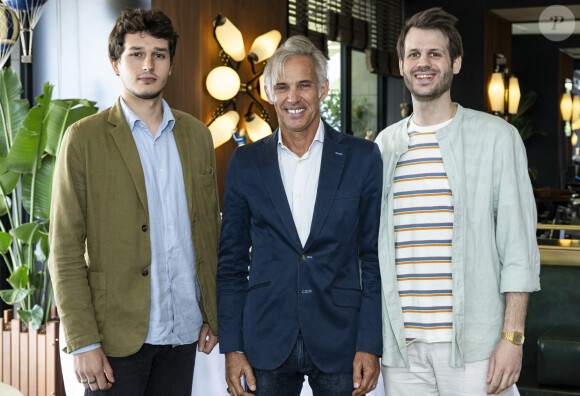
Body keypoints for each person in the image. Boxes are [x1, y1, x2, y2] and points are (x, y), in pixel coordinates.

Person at [48, 8, 220, 395]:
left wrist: (212, 311)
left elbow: (210, 231)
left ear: (171, 64)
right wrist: (83, 341)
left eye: (159, 54)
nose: (148, 64)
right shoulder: (83, 139)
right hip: (114, 341)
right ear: (115, 63)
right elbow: (65, 249)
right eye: (136, 53)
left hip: (182, 334)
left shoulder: (197, 136)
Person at [374, 7, 540, 396]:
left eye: (435, 54)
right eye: (414, 54)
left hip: (475, 349)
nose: (424, 63)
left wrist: (512, 339)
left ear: (456, 62)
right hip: (401, 351)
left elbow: (518, 249)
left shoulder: (498, 138)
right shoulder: (384, 146)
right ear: (401, 65)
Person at [217, 35, 383, 396]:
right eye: (282, 87)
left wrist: (370, 343)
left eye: (304, 85)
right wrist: (232, 347)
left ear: (323, 88)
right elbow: (230, 261)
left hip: (342, 338)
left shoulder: (363, 158)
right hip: (265, 337)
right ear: (269, 92)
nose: (293, 98)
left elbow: (371, 258)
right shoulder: (245, 163)